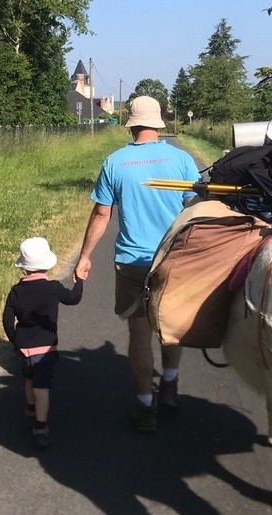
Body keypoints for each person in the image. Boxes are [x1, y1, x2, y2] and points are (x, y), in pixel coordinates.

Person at [74, 95, 200, 434]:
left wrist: (85, 256)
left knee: (140, 334)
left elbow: (102, 213)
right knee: (171, 327)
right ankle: (170, 386)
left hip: (133, 261)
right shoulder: (181, 159)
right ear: (158, 123)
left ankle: (146, 407)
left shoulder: (116, 162)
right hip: (173, 258)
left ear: (131, 124)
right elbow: (194, 208)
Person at [3, 237, 83, 448]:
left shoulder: (16, 291)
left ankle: (30, 411)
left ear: (24, 268)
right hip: (45, 348)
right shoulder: (53, 288)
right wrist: (79, 281)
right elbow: (74, 299)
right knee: (42, 387)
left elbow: (7, 320)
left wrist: (15, 340)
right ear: (47, 264)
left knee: (29, 380)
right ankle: (41, 427)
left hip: (23, 348)